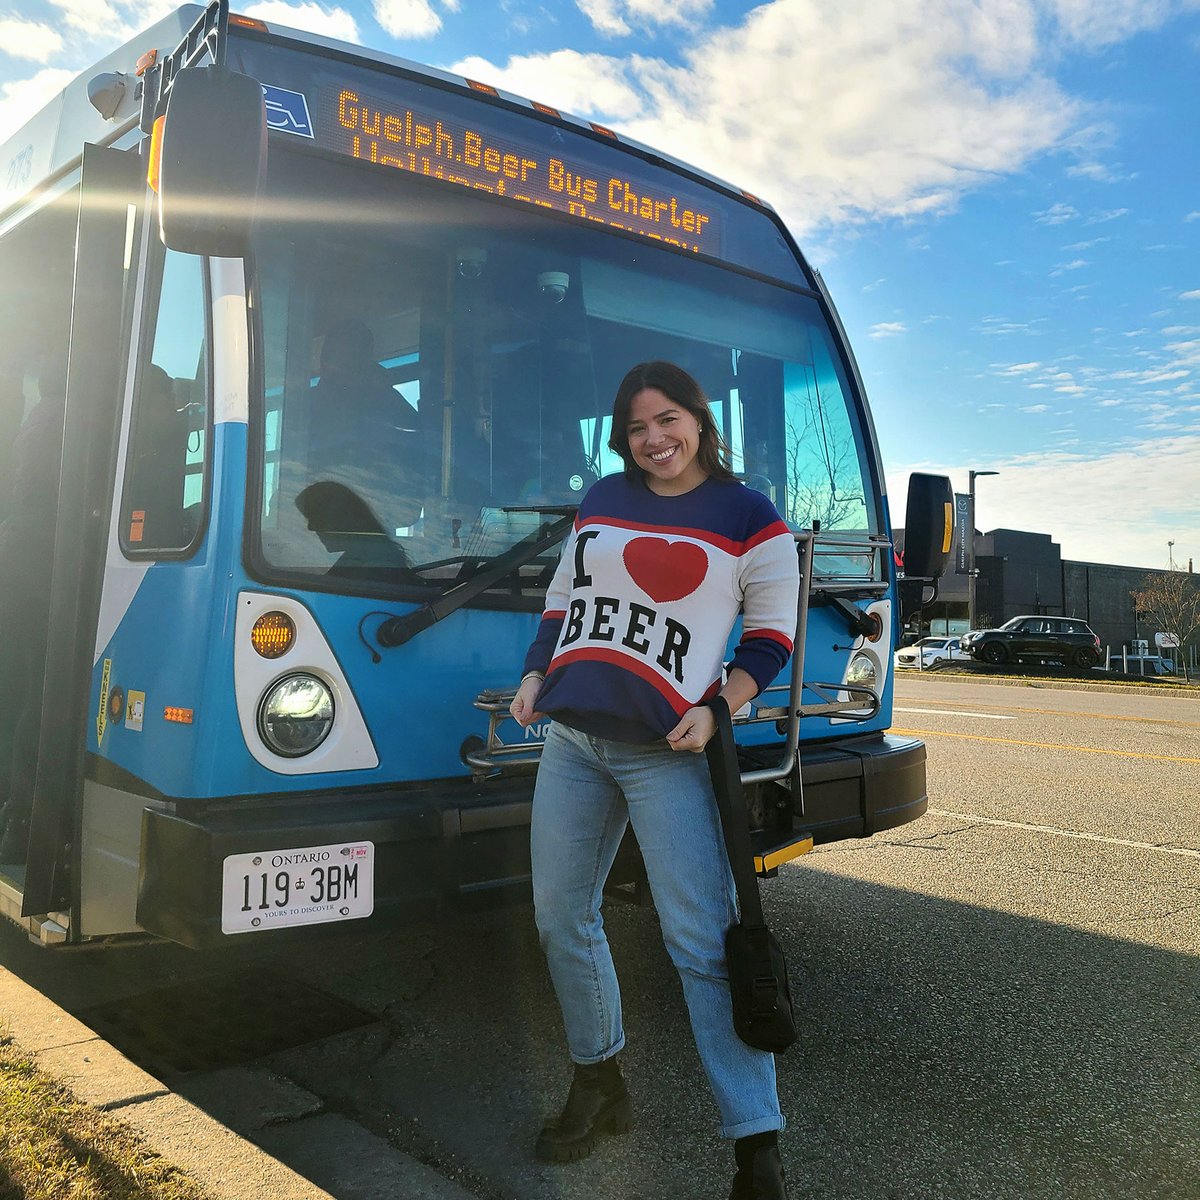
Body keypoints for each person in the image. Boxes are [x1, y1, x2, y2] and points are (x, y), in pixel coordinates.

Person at [510, 361, 800, 1199]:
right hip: (572, 737)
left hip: (666, 750)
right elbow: (563, 603)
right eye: (636, 427)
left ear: (700, 421)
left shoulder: (749, 517)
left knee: (702, 944)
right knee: (561, 918)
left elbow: (771, 638)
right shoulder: (602, 497)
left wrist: (721, 707)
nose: (653, 440)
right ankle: (600, 1084)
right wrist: (536, 675)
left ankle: (756, 1147)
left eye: (667, 419)